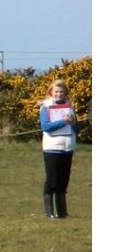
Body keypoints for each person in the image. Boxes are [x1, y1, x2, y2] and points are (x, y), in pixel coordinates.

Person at [39, 79, 78, 218]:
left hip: (67, 148)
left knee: (63, 180)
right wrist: (63, 122)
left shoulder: (70, 106)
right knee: (52, 179)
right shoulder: (46, 107)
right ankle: (49, 212)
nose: (59, 94)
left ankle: (62, 212)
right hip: (52, 147)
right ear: (51, 92)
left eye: (61, 92)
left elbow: (75, 128)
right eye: (56, 91)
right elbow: (46, 127)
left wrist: (73, 124)